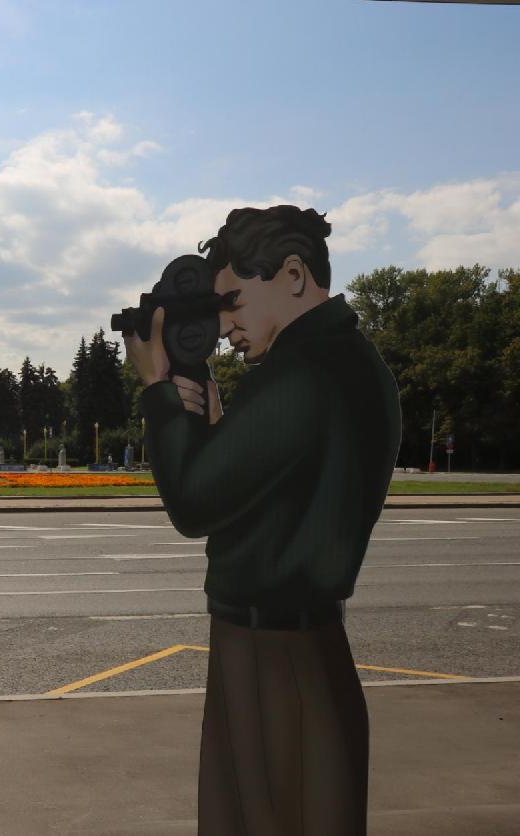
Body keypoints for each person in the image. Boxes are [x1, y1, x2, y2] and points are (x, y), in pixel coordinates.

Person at [123, 205, 401, 835]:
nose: (224, 327)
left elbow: (194, 504)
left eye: (234, 302)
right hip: (295, 644)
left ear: (293, 275)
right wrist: (218, 427)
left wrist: (158, 389)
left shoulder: (300, 375)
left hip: (276, 656)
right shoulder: (342, 362)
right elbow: (272, 492)